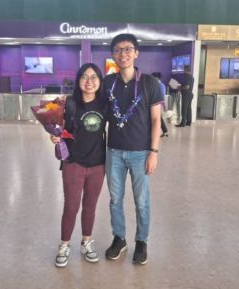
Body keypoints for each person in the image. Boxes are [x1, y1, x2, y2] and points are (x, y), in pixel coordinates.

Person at [104, 33, 163, 265]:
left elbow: (157, 121)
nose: (123, 54)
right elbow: (97, 115)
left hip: (140, 153)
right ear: (113, 55)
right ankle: (119, 238)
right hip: (114, 152)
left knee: (142, 201)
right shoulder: (108, 83)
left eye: (128, 49)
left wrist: (153, 153)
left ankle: (141, 241)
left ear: (136, 53)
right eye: (118, 50)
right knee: (115, 199)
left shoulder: (150, 83)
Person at [50, 63, 108, 267]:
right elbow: (57, 129)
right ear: (78, 80)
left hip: (98, 164)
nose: (89, 81)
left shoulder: (105, 104)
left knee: (90, 206)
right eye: (84, 77)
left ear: (100, 81)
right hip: (73, 162)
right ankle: (64, 244)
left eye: (94, 77)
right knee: (71, 207)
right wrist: (55, 137)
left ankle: (86, 242)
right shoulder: (69, 103)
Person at [151, 72, 168, 137]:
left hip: (157, 105)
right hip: (155, 104)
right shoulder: (156, 84)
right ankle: (165, 131)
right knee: (159, 118)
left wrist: (164, 106)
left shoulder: (161, 85)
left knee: (158, 118)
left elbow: (162, 96)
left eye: (153, 77)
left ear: (156, 78)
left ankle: (164, 131)